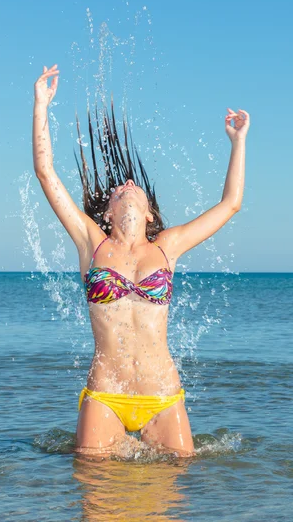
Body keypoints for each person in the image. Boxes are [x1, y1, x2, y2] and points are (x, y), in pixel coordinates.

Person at [32, 64, 250, 458]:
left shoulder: (168, 246)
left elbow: (231, 204)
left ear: (150, 213)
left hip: (162, 397)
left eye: (134, 186)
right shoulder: (91, 243)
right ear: (107, 214)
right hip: (105, 395)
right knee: (98, 509)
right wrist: (41, 106)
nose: (125, 185)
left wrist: (238, 143)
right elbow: (46, 174)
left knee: (169, 507)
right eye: (118, 189)